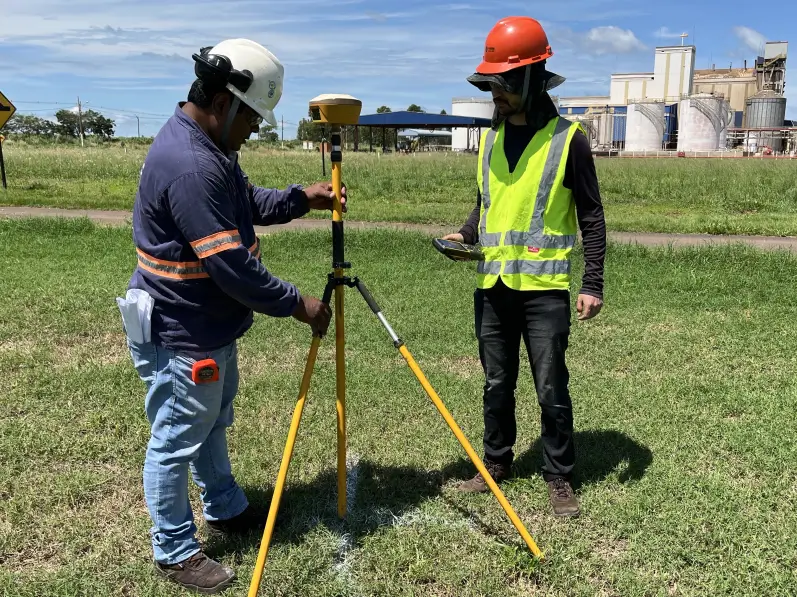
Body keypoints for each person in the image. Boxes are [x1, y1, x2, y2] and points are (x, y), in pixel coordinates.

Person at [122, 39, 345, 593]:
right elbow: (231, 267)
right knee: (177, 437)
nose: (253, 130)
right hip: (181, 331)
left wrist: (301, 198)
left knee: (210, 422)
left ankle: (224, 506)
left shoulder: (210, 148)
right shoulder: (192, 165)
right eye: (252, 118)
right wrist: (299, 304)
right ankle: (174, 550)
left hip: (206, 325)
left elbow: (245, 203)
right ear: (224, 104)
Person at [444, 17, 607, 517]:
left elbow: (592, 215)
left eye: (505, 85)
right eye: (491, 84)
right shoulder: (490, 140)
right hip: (493, 284)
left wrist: (593, 282)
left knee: (550, 386)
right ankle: (495, 463)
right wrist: (465, 234)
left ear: (533, 80)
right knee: (496, 382)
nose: (496, 94)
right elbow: (487, 203)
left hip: (544, 288)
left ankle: (559, 475)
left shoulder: (569, 139)